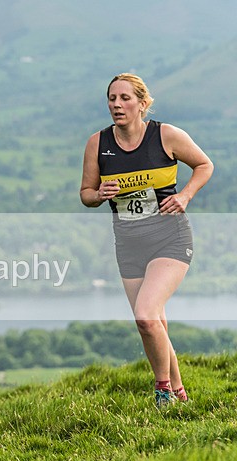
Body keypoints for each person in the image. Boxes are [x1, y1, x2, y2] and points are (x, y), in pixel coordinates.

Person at [80, 73, 213, 408]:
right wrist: (99, 193)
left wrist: (185, 195)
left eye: (125, 98)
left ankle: (162, 390)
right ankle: (181, 393)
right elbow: (85, 194)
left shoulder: (165, 135)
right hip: (128, 244)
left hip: (170, 237)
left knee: (145, 316)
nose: (116, 105)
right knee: (155, 322)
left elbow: (204, 165)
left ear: (142, 103)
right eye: (111, 98)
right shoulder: (98, 143)